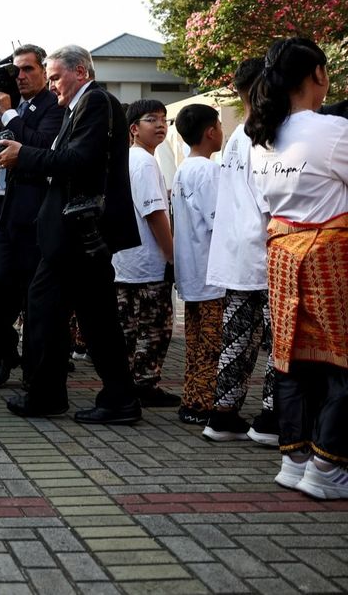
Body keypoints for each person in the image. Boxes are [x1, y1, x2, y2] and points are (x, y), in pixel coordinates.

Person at [0, 45, 143, 425]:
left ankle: (51, 395)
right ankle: (109, 397)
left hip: (79, 235)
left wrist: (23, 154)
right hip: (73, 234)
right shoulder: (80, 107)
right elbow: (68, 162)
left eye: (56, 76)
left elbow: (79, 161)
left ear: (80, 71)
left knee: (55, 311)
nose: (53, 84)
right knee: (91, 318)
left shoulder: (95, 103)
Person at [246, 37, 348, 499]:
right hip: (329, 256)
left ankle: (295, 459)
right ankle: (327, 468)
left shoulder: (263, 138)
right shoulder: (331, 132)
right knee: (340, 362)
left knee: (290, 360)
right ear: (319, 75)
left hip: (283, 256)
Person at [0, 44, 65, 389]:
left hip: (32, 211)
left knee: (32, 291)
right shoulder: (7, 106)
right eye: (16, 71)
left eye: (28, 69)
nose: (21, 77)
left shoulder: (52, 107)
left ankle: (30, 361)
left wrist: (10, 114)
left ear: (44, 71)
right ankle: (3, 351)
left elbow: (41, 146)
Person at [206, 58, 279, 444]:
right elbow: (273, 199)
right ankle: (272, 415)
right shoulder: (267, 135)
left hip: (235, 254)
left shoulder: (235, 136)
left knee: (237, 338)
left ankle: (223, 413)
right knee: (278, 340)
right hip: (264, 253)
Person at [113, 99, 180, 411]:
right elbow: (155, 214)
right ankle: (146, 385)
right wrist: (171, 256)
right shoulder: (144, 162)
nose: (160, 125)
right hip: (146, 265)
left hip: (123, 263)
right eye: (151, 119)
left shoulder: (125, 159)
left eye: (164, 119)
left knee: (128, 330)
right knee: (154, 329)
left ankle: (128, 383)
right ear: (134, 129)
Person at [170, 104, 228, 437]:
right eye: (219, 125)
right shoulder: (208, 171)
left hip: (191, 272)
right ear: (210, 132)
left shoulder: (183, 169)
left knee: (196, 343)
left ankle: (191, 398)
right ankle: (202, 405)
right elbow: (217, 221)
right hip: (210, 274)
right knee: (211, 344)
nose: (221, 131)